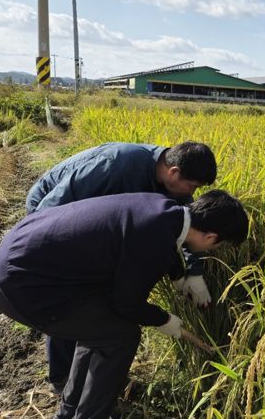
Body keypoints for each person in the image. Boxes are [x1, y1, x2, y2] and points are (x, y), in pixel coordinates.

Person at [0, 190, 248, 419]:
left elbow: (158, 245)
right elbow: (127, 305)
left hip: (13, 260)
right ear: (210, 238)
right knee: (120, 334)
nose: (212, 251)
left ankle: (67, 417)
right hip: (21, 285)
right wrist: (165, 320)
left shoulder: (162, 209)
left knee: (100, 327)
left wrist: (180, 277)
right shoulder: (155, 238)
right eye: (216, 247)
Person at [26, 141, 218, 393]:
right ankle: (62, 378)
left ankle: (91, 370)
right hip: (51, 215)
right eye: (192, 186)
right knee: (71, 298)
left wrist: (190, 273)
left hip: (99, 231)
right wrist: (39, 250)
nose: (191, 193)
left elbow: (182, 226)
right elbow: (54, 204)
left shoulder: (176, 185)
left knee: (100, 298)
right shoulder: (115, 166)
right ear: (173, 173)